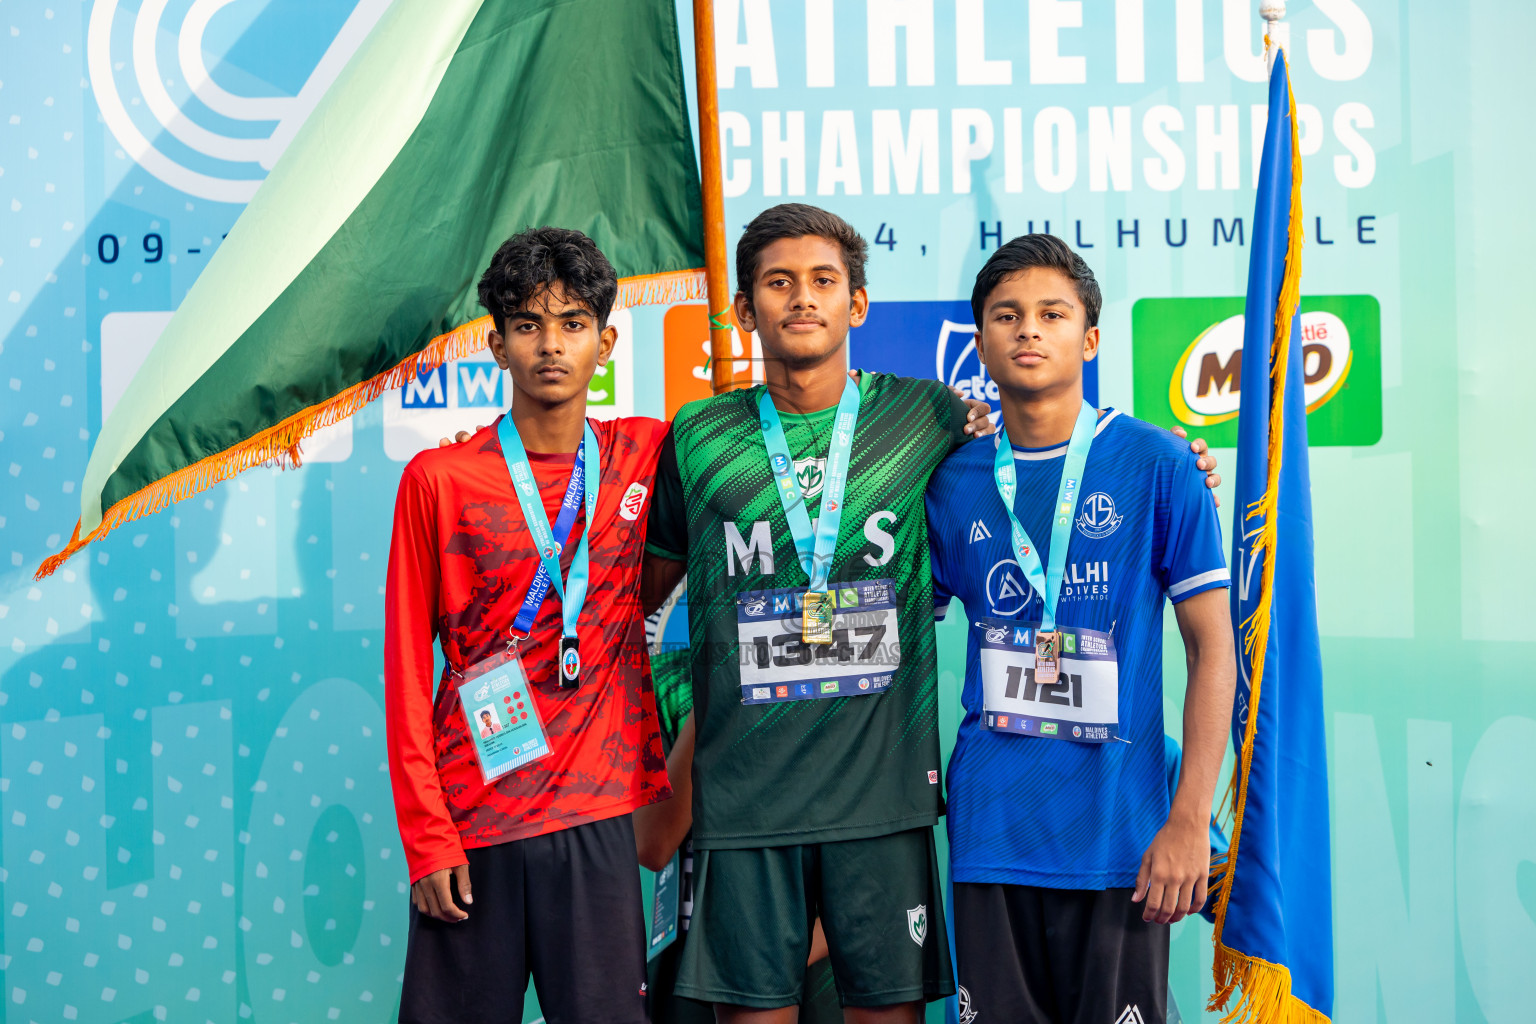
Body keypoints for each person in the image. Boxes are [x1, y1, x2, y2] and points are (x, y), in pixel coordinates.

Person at [924, 234, 1238, 1024]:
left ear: (1089, 339)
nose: (1029, 330)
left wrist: (1190, 819)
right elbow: (895, 646)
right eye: (1007, 316)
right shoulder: (952, 480)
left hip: (1120, 836)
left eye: (1051, 314)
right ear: (983, 342)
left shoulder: (1159, 466)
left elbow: (1212, 649)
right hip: (993, 832)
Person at [385, 227, 672, 1024]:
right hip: (473, 822)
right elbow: (407, 675)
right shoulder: (438, 480)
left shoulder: (647, 455)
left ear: (606, 342)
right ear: (497, 343)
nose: (552, 345)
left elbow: (762, 441)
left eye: (574, 323)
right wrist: (427, 839)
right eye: (528, 324)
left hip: (596, 816)